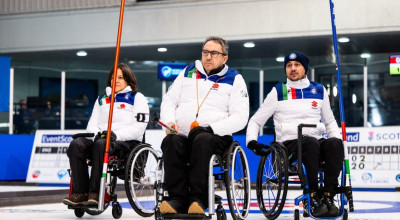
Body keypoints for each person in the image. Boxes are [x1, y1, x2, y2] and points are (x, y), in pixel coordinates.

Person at [246, 51, 344, 217]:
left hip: (315, 141)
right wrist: (251, 141)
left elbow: (330, 122)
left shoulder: (319, 90)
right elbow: (255, 120)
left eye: (297, 65)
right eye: (289, 65)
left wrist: (337, 138)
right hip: (289, 145)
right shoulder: (278, 91)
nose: (292, 68)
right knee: (309, 143)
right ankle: (311, 196)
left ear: (304, 68)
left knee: (334, 144)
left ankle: (328, 196)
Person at [159, 36, 249, 215]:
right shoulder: (187, 72)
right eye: (205, 52)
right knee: (171, 142)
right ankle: (177, 199)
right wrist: (169, 121)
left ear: (224, 58)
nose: (208, 57)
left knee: (202, 140)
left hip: (215, 137)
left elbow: (240, 117)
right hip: (183, 135)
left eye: (214, 53)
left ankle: (198, 200)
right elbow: (169, 100)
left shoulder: (234, 78)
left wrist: (211, 129)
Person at [63, 64, 149, 206]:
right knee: (76, 144)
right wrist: (98, 135)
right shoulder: (101, 99)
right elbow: (92, 124)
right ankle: (80, 193)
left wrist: (115, 135)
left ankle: (95, 192)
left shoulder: (137, 98)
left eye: (120, 77)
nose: (116, 80)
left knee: (102, 144)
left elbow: (139, 128)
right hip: (101, 138)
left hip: (125, 141)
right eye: (113, 77)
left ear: (128, 79)